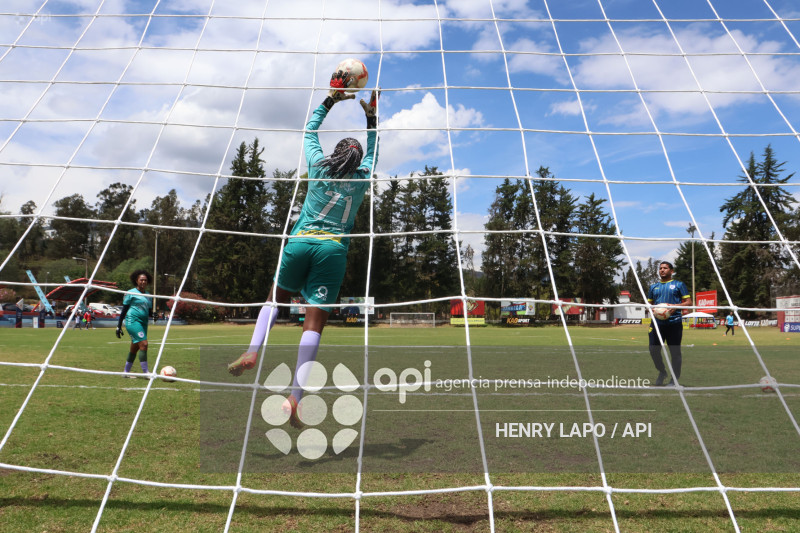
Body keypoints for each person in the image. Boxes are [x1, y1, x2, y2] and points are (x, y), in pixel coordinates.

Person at [228, 72, 380, 428]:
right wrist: (372, 119)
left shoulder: (316, 166)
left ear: (335, 155)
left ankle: (253, 349)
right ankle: (295, 396)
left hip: (299, 244)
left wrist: (331, 99)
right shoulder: (362, 179)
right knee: (314, 323)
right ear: (356, 163)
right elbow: (373, 151)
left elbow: (309, 132)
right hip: (332, 250)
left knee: (274, 299)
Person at [647, 261, 691, 386]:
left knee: (675, 353)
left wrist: (675, 306)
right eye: (660, 268)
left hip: (674, 323)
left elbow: (688, 302)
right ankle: (662, 371)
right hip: (657, 324)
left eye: (665, 268)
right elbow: (649, 304)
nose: (662, 270)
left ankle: (674, 380)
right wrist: (652, 309)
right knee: (653, 350)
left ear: (671, 271)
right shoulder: (653, 287)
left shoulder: (679, 285)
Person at [116, 270, 153, 378]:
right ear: (136, 281)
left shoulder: (149, 295)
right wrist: (119, 326)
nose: (143, 282)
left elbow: (149, 311)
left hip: (143, 323)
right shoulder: (130, 293)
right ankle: (146, 373)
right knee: (144, 344)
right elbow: (124, 310)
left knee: (135, 348)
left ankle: (125, 372)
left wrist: (154, 315)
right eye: (141, 280)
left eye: (145, 280)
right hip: (132, 321)